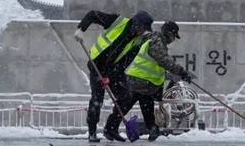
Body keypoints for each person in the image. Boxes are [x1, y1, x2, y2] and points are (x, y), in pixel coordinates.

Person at [103, 21, 192, 142]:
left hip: (144, 82)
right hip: (138, 80)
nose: (173, 40)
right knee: (128, 105)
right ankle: (112, 128)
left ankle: (149, 129)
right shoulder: (156, 42)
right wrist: (181, 72)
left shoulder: (155, 40)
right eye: (173, 36)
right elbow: (164, 61)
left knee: (144, 106)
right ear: (168, 33)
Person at [74, 10, 154, 143]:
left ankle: (111, 128)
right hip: (97, 66)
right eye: (142, 28)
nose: (142, 32)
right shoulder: (117, 21)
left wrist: (110, 76)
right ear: (136, 23)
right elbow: (93, 14)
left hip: (115, 70)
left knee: (125, 97)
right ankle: (92, 132)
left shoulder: (139, 40)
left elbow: (126, 61)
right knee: (97, 100)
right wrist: (81, 29)